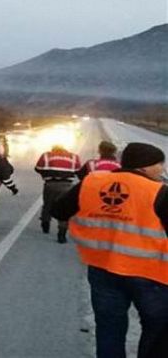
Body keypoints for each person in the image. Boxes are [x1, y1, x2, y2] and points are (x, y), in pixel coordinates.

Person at [52, 142, 168, 358]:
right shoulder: (159, 191)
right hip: (151, 275)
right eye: (160, 164)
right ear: (144, 167)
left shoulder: (93, 182)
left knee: (109, 329)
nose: (162, 169)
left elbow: (58, 210)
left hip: (102, 269)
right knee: (158, 330)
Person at [35, 144, 82, 243]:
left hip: (50, 185)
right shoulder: (74, 157)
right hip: (67, 186)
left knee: (47, 204)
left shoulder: (46, 155)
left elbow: (38, 168)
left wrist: (46, 175)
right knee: (64, 209)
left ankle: (45, 223)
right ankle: (62, 233)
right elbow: (78, 171)